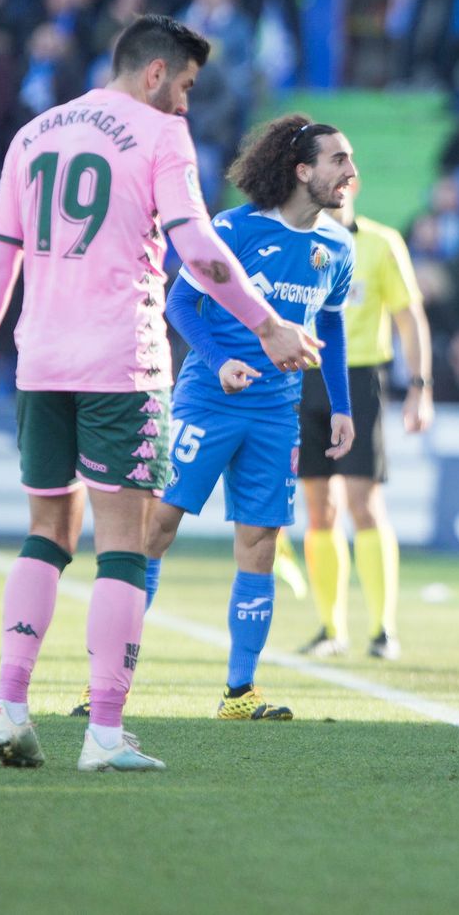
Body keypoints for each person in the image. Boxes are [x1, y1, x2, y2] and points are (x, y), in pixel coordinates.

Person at [0, 14, 321, 772]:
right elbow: (197, 246)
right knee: (123, 543)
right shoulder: (160, 134)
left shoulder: (32, 134)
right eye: (185, 85)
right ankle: (105, 733)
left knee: (46, 531)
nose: (185, 102)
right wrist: (268, 323)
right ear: (155, 73)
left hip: (39, 362)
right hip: (121, 365)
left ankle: (8, 706)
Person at [143, 115, 356, 721]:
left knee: (261, 542)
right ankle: (104, 678)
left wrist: (341, 406)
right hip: (208, 401)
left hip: (276, 412)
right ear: (303, 170)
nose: (350, 171)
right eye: (338, 160)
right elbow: (180, 302)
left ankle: (240, 692)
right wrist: (220, 362)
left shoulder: (339, 248)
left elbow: (331, 325)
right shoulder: (233, 229)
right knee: (157, 527)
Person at [293, 176, 434, 662]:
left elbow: (409, 316)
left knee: (363, 502)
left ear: (353, 186)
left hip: (358, 377)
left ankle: (382, 628)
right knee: (319, 509)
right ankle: (331, 628)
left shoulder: (380, 243)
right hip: (304, 376)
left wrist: (420, 387)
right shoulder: (297, 241)